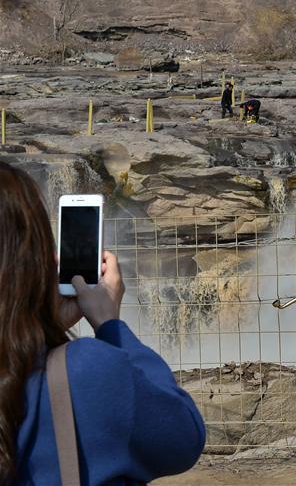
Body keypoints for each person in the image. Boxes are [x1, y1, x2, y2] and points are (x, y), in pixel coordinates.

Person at [0, 162, 206, 485]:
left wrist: (43, 329)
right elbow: (184, 435)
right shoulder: (87, 371)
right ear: (34, 260)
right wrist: (110, 324)